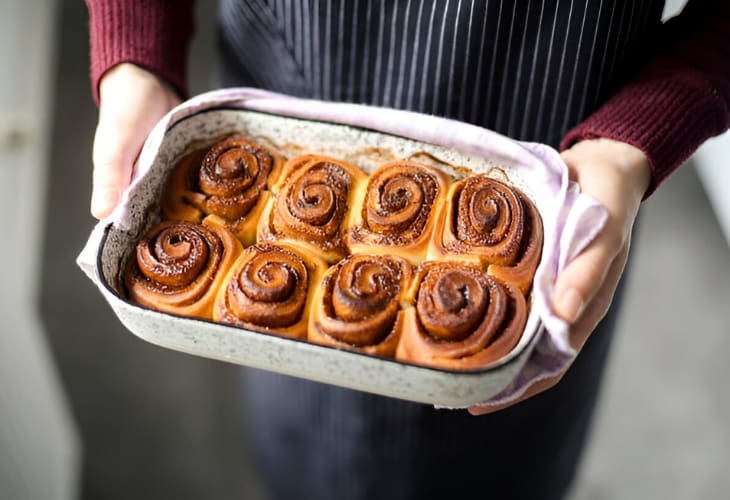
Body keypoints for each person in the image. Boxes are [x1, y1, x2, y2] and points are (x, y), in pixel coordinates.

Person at [84, 1, 730, 498]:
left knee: (499, 455)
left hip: (561, 165)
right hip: (277, 91)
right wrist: (136, 53)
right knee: (306, 440)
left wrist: (633, 138)